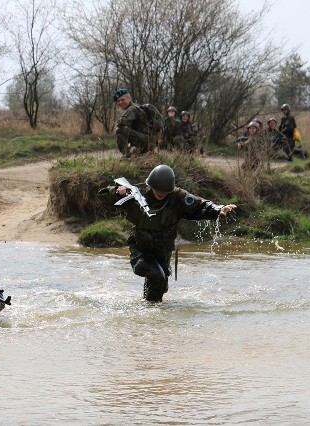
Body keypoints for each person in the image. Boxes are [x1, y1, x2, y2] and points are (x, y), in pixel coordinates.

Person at [97, 164, 236, 302]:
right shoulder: (136, 193)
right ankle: (150, 313)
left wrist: (219, 209)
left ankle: (149, 313)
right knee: (157, 276)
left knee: (160, 286)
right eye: (158, 190)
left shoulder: (178, 197)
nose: (161, 194)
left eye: (164, 192)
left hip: (163, 252)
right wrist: (117, 192)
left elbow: (200, 205)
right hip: (140, 251)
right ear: (151, 186)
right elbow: (102, 196)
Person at [114, 88, 151, 157]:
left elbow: (121, 123)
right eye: (118, 101)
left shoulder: (132, 109)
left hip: (146, 142)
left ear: (129, 98)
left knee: (120, 130)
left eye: (122, 100)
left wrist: (118, 123)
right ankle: (134, 152)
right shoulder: (135, 108)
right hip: (145, 141)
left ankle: (126, 155)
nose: (120, 102)